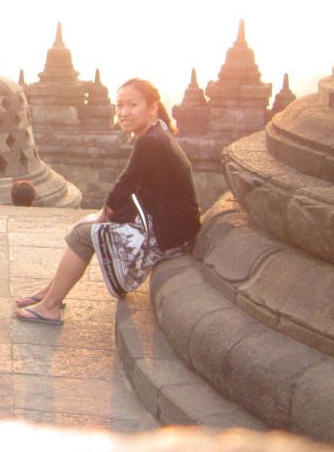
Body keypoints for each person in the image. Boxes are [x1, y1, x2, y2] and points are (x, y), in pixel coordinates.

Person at [14, 78, 201, 325]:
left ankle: (50, 306)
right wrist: (104, 216)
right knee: (84, 228)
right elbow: (133, 189)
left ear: (153, 108)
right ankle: (50, 294)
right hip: (171, 229)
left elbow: (124, 186)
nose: (124, 112)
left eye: (132, 105)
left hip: (166, 237)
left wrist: (102, 216)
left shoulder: (150, 141)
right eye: (119, 105)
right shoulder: (158, 132)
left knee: (84, 234)